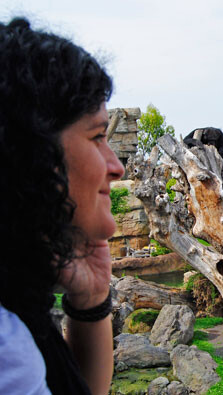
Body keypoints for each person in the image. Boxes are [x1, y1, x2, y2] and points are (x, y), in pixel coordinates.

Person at [0, 17, 124, 394]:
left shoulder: (16, 296)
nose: (116, 167)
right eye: (98, 136)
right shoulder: (7, 348)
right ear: (33, 154)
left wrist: (90, 299)